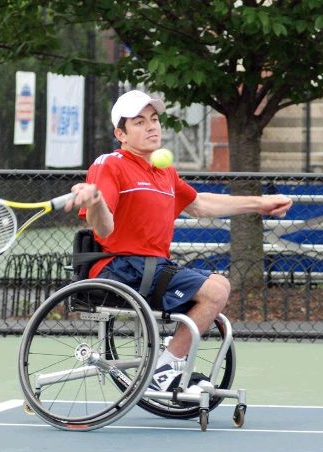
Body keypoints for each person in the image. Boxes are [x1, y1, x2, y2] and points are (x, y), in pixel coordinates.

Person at [66, 89, 292, 392]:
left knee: (216, 288)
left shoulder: (164, 170)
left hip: (154, 267)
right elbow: (103, 228)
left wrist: (259, 204)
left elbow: (200, 205)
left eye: (155, 119)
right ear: (120, 133)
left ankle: (169, 362)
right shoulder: (110, 164)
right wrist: (94, 201)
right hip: (120, 269)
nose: (151, 126)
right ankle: (165, 367)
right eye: (139, 122)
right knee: (215, 289)